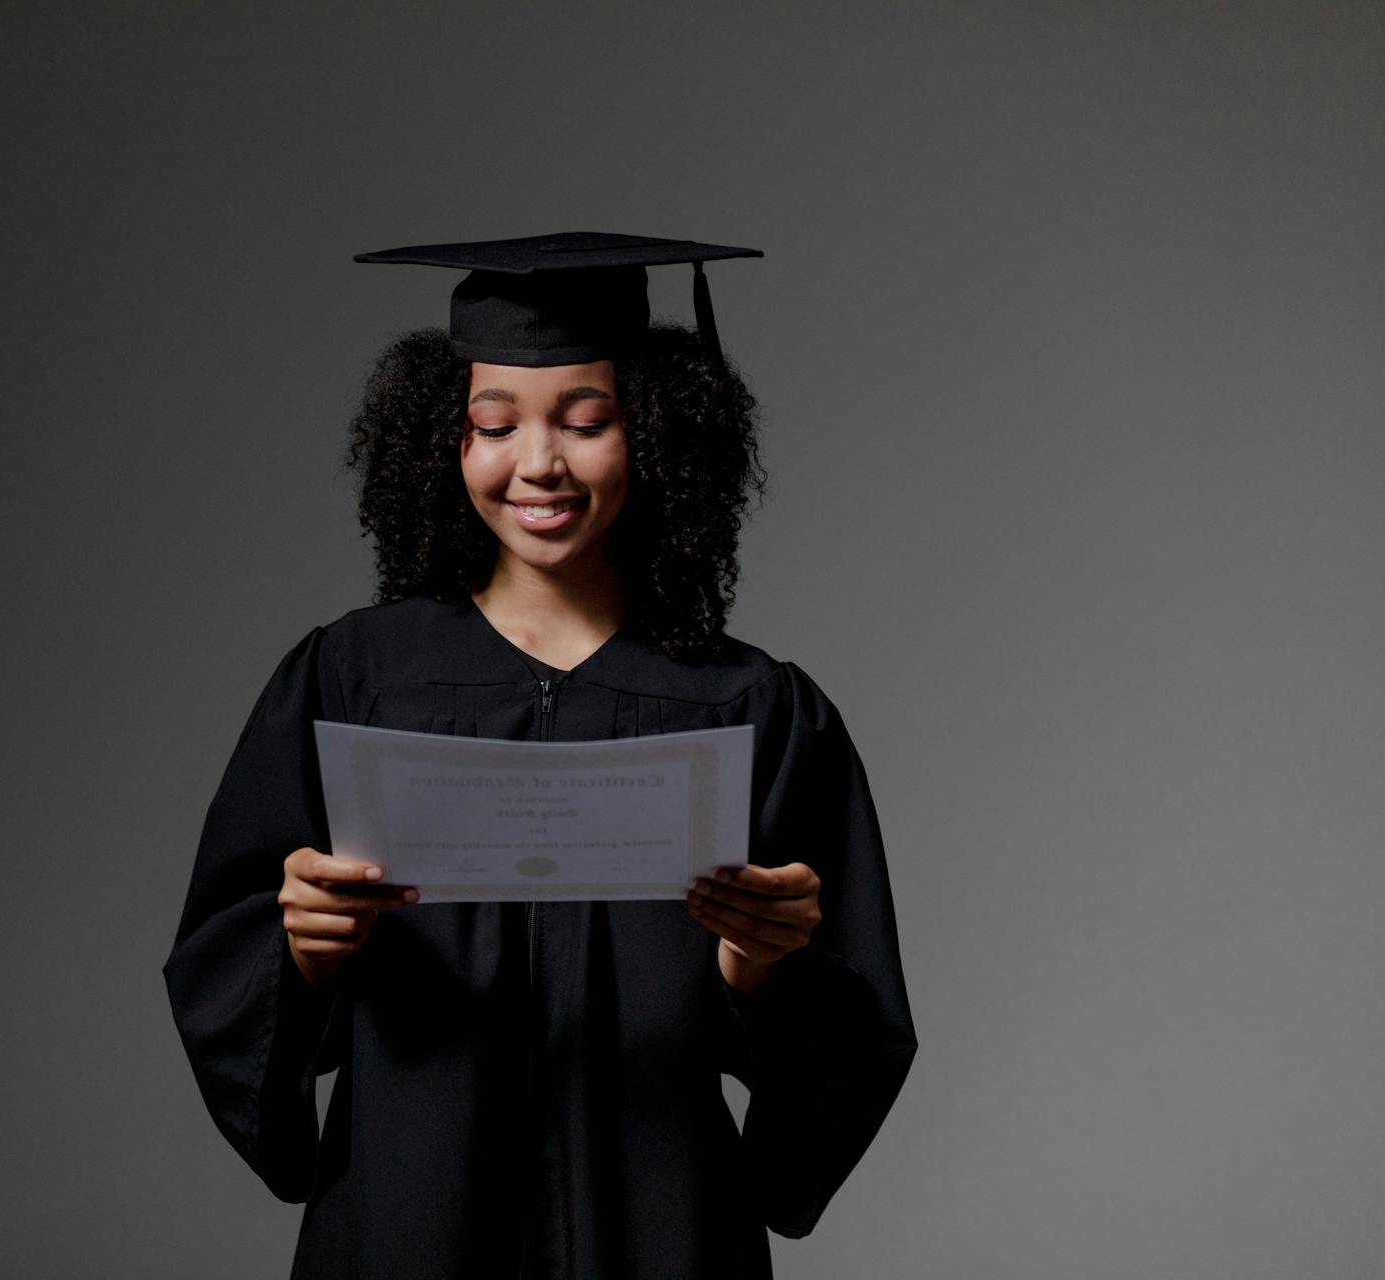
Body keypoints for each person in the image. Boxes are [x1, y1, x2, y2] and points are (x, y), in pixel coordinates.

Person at [162, 231, 916, 1279]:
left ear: (655, 429)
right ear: (445, 441)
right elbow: (223, 957)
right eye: (493, 423)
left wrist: (761, 972)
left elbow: (854, 1024)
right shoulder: (353, 677)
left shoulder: (749, 705)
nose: (539, 463)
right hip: (408, 1215)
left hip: (659, 1220)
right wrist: (301, 951)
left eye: (588, 420)